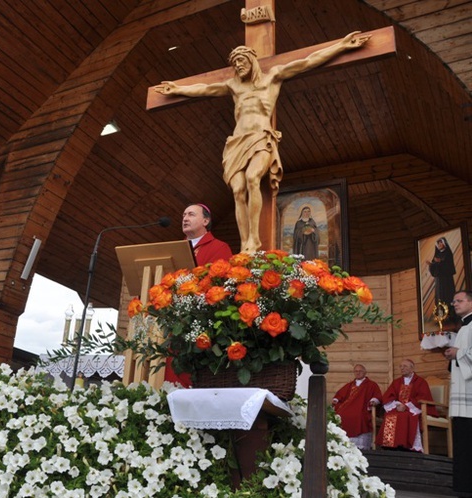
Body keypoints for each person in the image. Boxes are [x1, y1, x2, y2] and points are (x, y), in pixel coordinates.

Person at [155, 32, 371, 254]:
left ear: (251, 61)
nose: (238, 66)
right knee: (238, 190)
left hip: (261, 137)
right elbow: (204, 89)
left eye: (241, 61)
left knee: (252, 178)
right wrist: (178, 89)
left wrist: (341, 46)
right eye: (234, 63)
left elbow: (308, 62)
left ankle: (255, 241)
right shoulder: (233, 86)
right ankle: (245, 242)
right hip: (237, 142)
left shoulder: (272, 77)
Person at [165, 203, 234, 388]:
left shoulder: (219, 247)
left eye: (191, 214)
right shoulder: (176, 248)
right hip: (175, 319)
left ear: (205, 220)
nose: (185, 218)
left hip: (201, 320)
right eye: (183, 215)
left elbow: (221, 284)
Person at [444, 290, 472, 496]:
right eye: (454, 301)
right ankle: (462, 485)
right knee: (462, 441)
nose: (454, 304)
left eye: (459, 300)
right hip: (462, 394)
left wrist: (458, 353)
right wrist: (453, 355)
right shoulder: (464, 327)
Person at [375, 358, 436, 452]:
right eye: (401, 366)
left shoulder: (420, 382)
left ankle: (406, 446)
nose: (402, 368)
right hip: (398, 407)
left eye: (405, 366)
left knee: (406, 416)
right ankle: (389, 445)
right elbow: (389, 395)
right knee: (390, 415)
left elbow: (422, 398)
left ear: (412, 368)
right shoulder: (397, 382)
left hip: (413, 409)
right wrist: (396, 404)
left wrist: (406, 406)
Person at [332, 364, 382, 450]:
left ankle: (360, 445)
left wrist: (374, 401)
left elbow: (377, 396)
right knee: (340, 415)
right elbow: (340, 395)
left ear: (365, 372)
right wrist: (336, 399)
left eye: (360, 371)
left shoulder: (372, 385)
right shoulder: (350, 385)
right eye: (356, 371)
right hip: (347, 408)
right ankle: (342, 443)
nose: (358, 373)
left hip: (362, 409)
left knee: (359, 416)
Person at [427, 237, 456, 307]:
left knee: (448, 295)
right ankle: (441, 313)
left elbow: (449, 265)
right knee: (439, 295)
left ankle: (451, 312)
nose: (439, 244)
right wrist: (431, 265)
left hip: (446, 279)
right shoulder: (437, 255)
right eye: (438, 243)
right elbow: (434, 268)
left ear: (444, 243)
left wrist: (441, 262)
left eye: (441, 242)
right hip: (439, 280)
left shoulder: (448, 253)